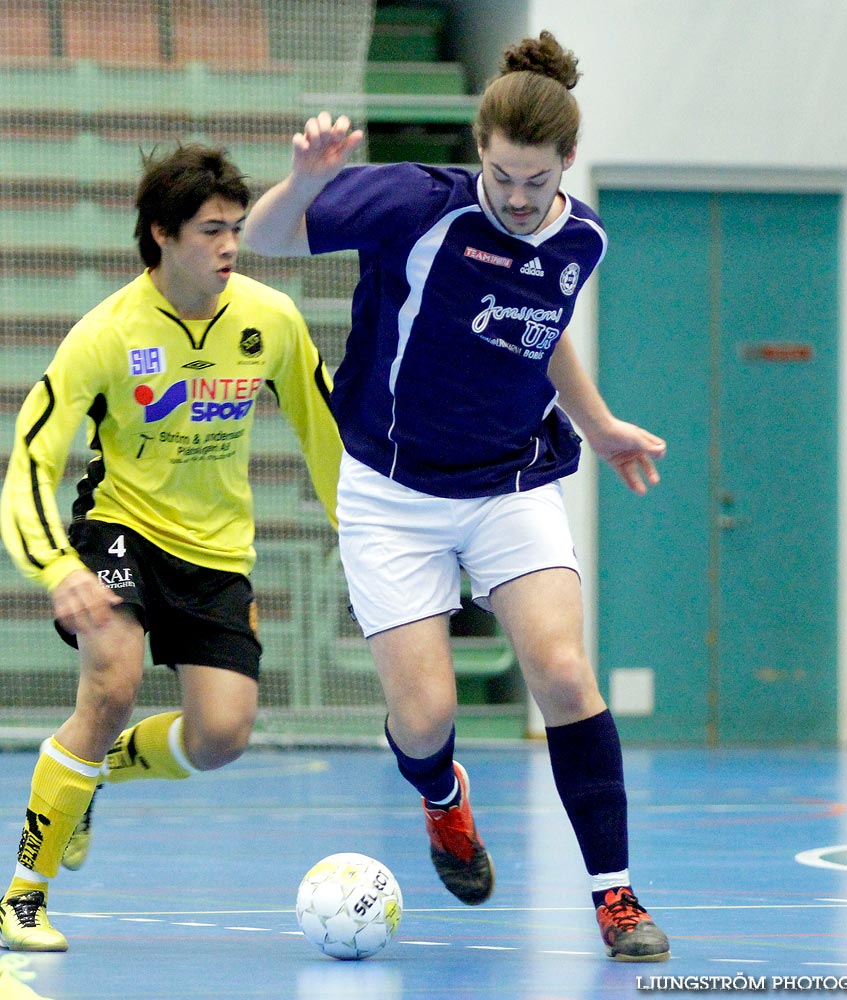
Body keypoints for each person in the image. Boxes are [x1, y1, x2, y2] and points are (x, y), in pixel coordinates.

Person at [244, 31, 669, 962]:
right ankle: (443, 800)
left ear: (567, 162)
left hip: (510, 481)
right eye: (503, 175)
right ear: (480, 153)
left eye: (537, 179)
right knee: (426, 716)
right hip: (391, 490)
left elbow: (541, 332)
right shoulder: (413, 204)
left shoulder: (582, 237)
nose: (518, 198)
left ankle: (617, 897)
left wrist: (597, 425)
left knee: (562, 673)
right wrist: (306, 179)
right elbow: (263, 238)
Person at [0, 145, 342, 952]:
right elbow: (31, 462)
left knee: (220, 736)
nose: (230, 246)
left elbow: (326, 436)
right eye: (210, 231)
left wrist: (363, 535)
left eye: (234, 229)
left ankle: (87, 781)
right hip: (121, 527)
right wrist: (57, 567)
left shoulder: (272, 320)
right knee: (110, 684)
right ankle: (23, 895)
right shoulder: (107, 334)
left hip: (217, 551)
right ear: (161, 235)